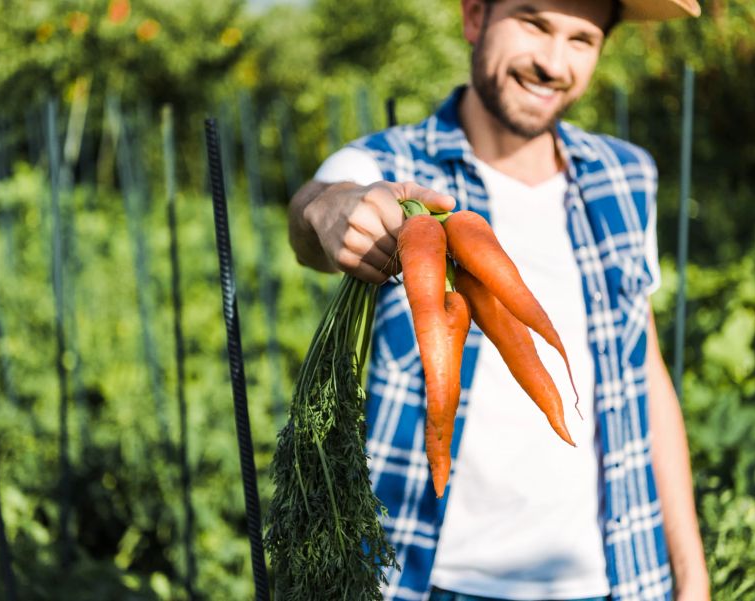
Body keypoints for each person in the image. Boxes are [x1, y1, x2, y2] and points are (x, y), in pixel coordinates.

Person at [287, 0, 710, 599]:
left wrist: (691, 575)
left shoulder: (625, 175)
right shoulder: (391, 164)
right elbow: (318, 208)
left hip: (613, 577)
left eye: (581, 39)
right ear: (475, 18)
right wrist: (330, 214)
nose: (552, 62)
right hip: (423, 578)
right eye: (533, 24)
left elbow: (643, 370)